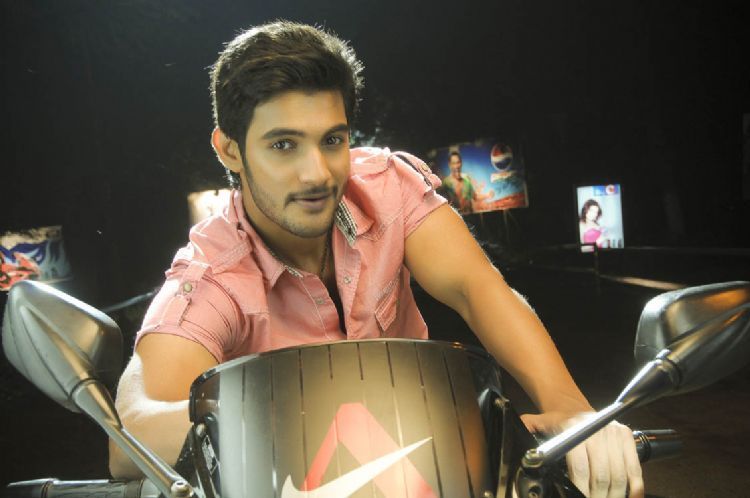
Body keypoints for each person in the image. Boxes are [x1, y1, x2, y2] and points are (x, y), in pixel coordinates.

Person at [110, 21, 643, 497]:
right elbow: (129, 436)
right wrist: (271, 417)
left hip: (435, 472)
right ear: (230, 149)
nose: (317, 173)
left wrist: (574, 414)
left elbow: (478, 290)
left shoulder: (386, 187)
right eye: (283, 145)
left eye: (332, 140)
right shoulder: (212, 276)